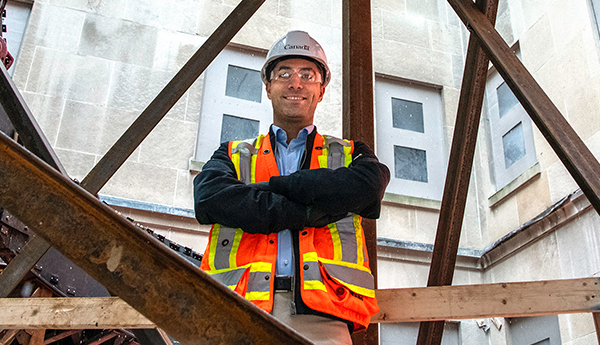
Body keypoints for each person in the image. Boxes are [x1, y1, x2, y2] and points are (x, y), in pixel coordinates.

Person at [194, 30, 390, 344]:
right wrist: (312, 209)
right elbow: (209, 199)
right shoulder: (232, 154)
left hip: (325, 315)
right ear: (268, 86)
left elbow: (369, 187)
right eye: (284, 73)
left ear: (321, 90)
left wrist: (271, 189)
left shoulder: (350, 154)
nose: (295, 83)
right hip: (238, 310)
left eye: (307, 75)